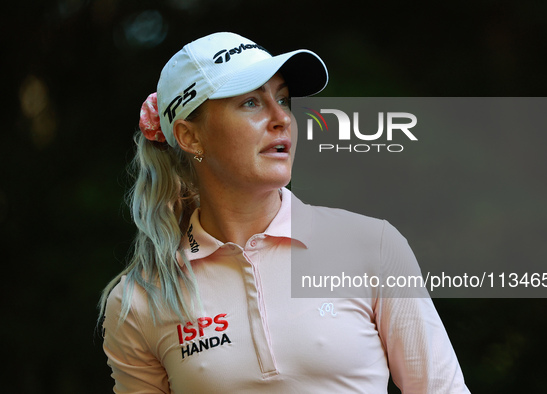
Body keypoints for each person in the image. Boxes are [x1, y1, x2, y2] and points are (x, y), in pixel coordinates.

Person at [99, 32, 470, 393]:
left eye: (283, 99)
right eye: (251, 103)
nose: (283, 119)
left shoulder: (372, 245)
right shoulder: (138, 301)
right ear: (190, 136)